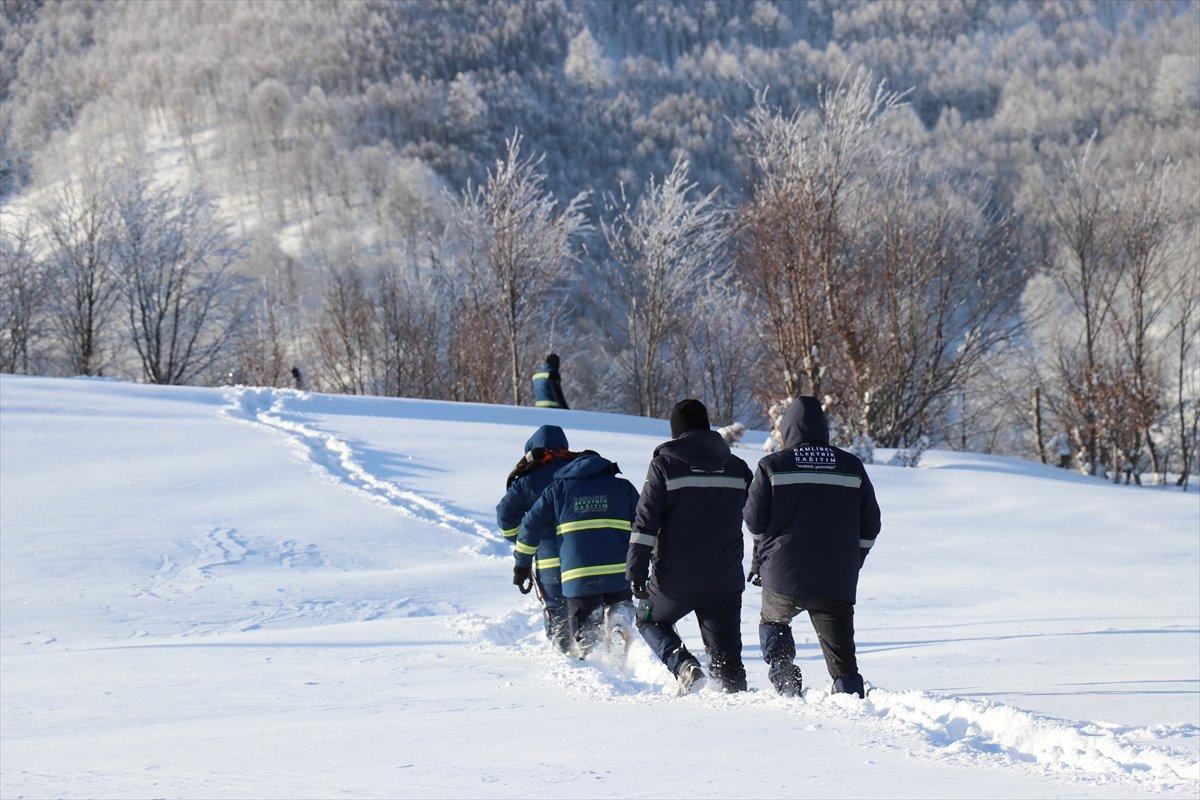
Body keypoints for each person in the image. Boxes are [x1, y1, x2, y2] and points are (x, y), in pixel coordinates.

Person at [743, 396, 881, 698]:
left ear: (787, 429)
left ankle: (784, 674)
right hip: (835, 581)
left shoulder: (771, 466)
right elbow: (871, 524)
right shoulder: (851, 466)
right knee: (843, 661)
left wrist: (764, 554)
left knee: (772, 621)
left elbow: (753, 520)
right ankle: (850, 695)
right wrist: (853, 559)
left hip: (782, 578)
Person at [626, 399, 753, 694]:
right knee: (727, 662)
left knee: (647, 619)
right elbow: (760, 517)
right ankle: (741, 706)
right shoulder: (737, 467)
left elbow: (645, 524)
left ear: (676, 432)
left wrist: (635, 571)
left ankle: (683, 665)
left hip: (675, 581)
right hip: (724, 579)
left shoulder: (664, 466)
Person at [514, 451, 638, 656]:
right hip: (618, 572)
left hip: (579, 577)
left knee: (587, 633)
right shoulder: (623, 487)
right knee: (621, 603)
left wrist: (522, 565)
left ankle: (592, 655)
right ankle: (619, 623)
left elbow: (529, 526)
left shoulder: (557, 490)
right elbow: (645, 525)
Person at [496, 425, 576, 652]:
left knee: (557, 612)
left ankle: (566, 656)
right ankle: (595, 651)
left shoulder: (527, 480)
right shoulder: (578, 473)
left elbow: (505, 516)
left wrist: (522, 541)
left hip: (548, 560)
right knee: (586, 608)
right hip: (583, 558)